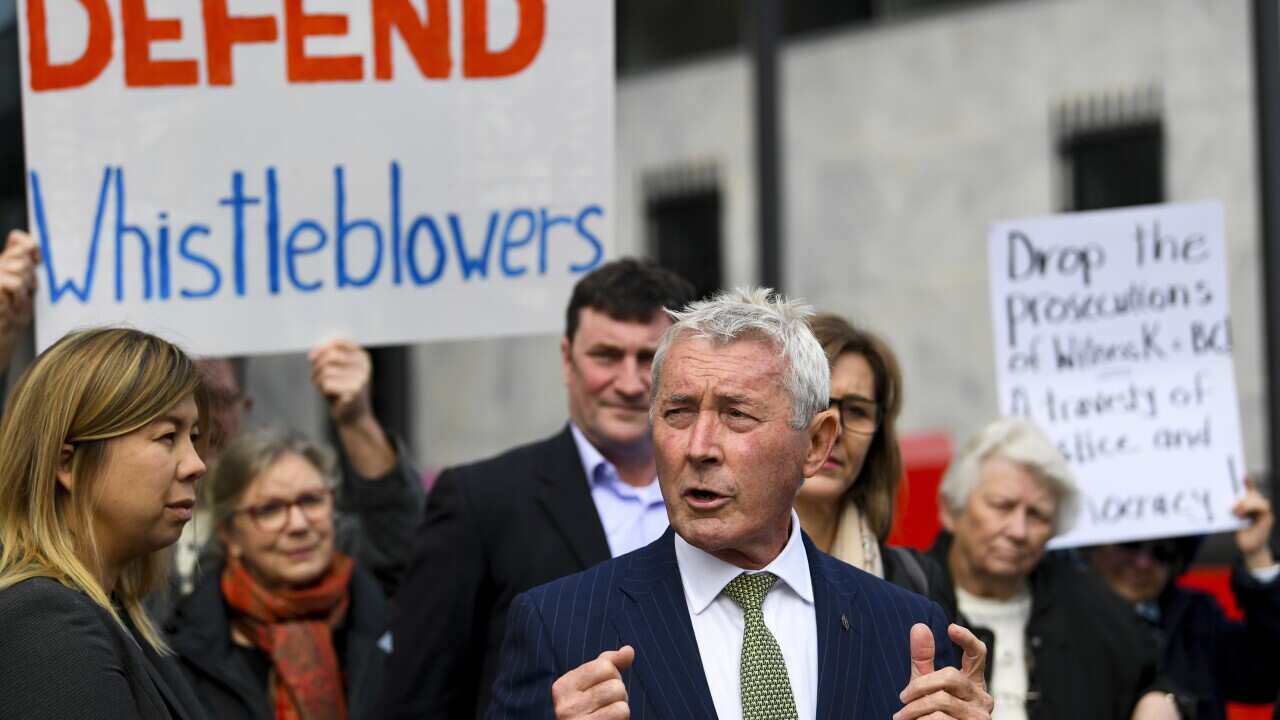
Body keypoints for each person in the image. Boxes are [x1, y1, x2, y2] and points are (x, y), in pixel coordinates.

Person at [487, 288, 993, 720]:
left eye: (737, 415)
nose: (699, 447)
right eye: (678, 412)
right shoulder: (561, 626)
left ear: (817, 444)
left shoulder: (907, 629)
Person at [381, 258, 697, 719]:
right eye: (606, 356)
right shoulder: (480, 501)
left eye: (649, 358)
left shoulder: (723, 500)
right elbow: (416, 702)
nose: (630, 383)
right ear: (568, 360)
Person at [0, 327, 209, 719]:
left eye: (194, 437)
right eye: (167, 437)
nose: (196, 464)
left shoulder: (115, 610)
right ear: (67, 464)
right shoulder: (44, 622)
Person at [929, 417, 1177, 720]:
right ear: (951, 510)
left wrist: (1160, 699)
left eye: (1037, 515)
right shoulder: (906, 593)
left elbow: (1154, 674)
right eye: (1002, 505)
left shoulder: (1091, 609)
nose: (1018, 530)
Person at [167, 338, 424, 610]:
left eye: (218, 399)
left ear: (245, 406)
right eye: (270, 510)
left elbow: (395, 539)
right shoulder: (140, 529)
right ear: (229, 535)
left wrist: (356, 418)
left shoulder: (342, 570)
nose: (203, 419)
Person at [168, 428, 390, 719]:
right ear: (230, 535)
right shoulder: (182, 651)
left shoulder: (390, 621)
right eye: (270, 509)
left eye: (311, 500)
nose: (298, 524)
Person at [797, 313, 956, 619]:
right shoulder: (718, 564)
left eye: (857, 411)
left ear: (877, 442)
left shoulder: (918, 585)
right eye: (817, 402)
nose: (834, 430)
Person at [1086, 482, 1280, 720]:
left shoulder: (1196, 620)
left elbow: (1266, 674)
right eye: (1130, 544)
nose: (1143, 563)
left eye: (1162, 553)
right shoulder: (1058, 613)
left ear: (1176, 566)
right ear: (1094, 545)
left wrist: (1257, 555)